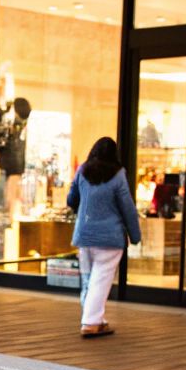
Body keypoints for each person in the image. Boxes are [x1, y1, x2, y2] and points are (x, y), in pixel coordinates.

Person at [68, 137, 142, 338]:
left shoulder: (82, 171)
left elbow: (71, 198)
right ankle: (91, 322)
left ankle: (95, 318)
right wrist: (135, 235)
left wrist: (83, 210)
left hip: (84, 234)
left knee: (89, 279)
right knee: (101, 279)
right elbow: (127, 207)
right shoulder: (118, 174)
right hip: (109, 237)